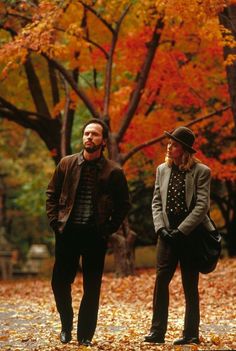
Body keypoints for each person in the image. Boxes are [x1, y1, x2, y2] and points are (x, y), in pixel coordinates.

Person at [46, 119, 130, 347]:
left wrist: (108, 229)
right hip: (67, 232)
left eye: (94, 134)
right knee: (59, 283)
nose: (89, 137)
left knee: (91, 287)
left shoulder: (113, 171)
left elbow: (124, 204)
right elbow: (51, 194)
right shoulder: (66, 164)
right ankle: (66, 325)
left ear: (103, 141)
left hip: (95, 235)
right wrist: (55, 222)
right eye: (86, 133)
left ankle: (85, 335)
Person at [144, 126, 215, 345]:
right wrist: (161, 228)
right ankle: (157, 332)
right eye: (169, 143)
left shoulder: (201, 171)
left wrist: (182, 231)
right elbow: (156, 201)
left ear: (184, 149)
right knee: (161, 280)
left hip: (190, 235)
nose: (169, 146)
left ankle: (190, 334)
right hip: (166, 235)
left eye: (174, 144)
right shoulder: (162, 170)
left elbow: (202, 205)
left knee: (189, 284)